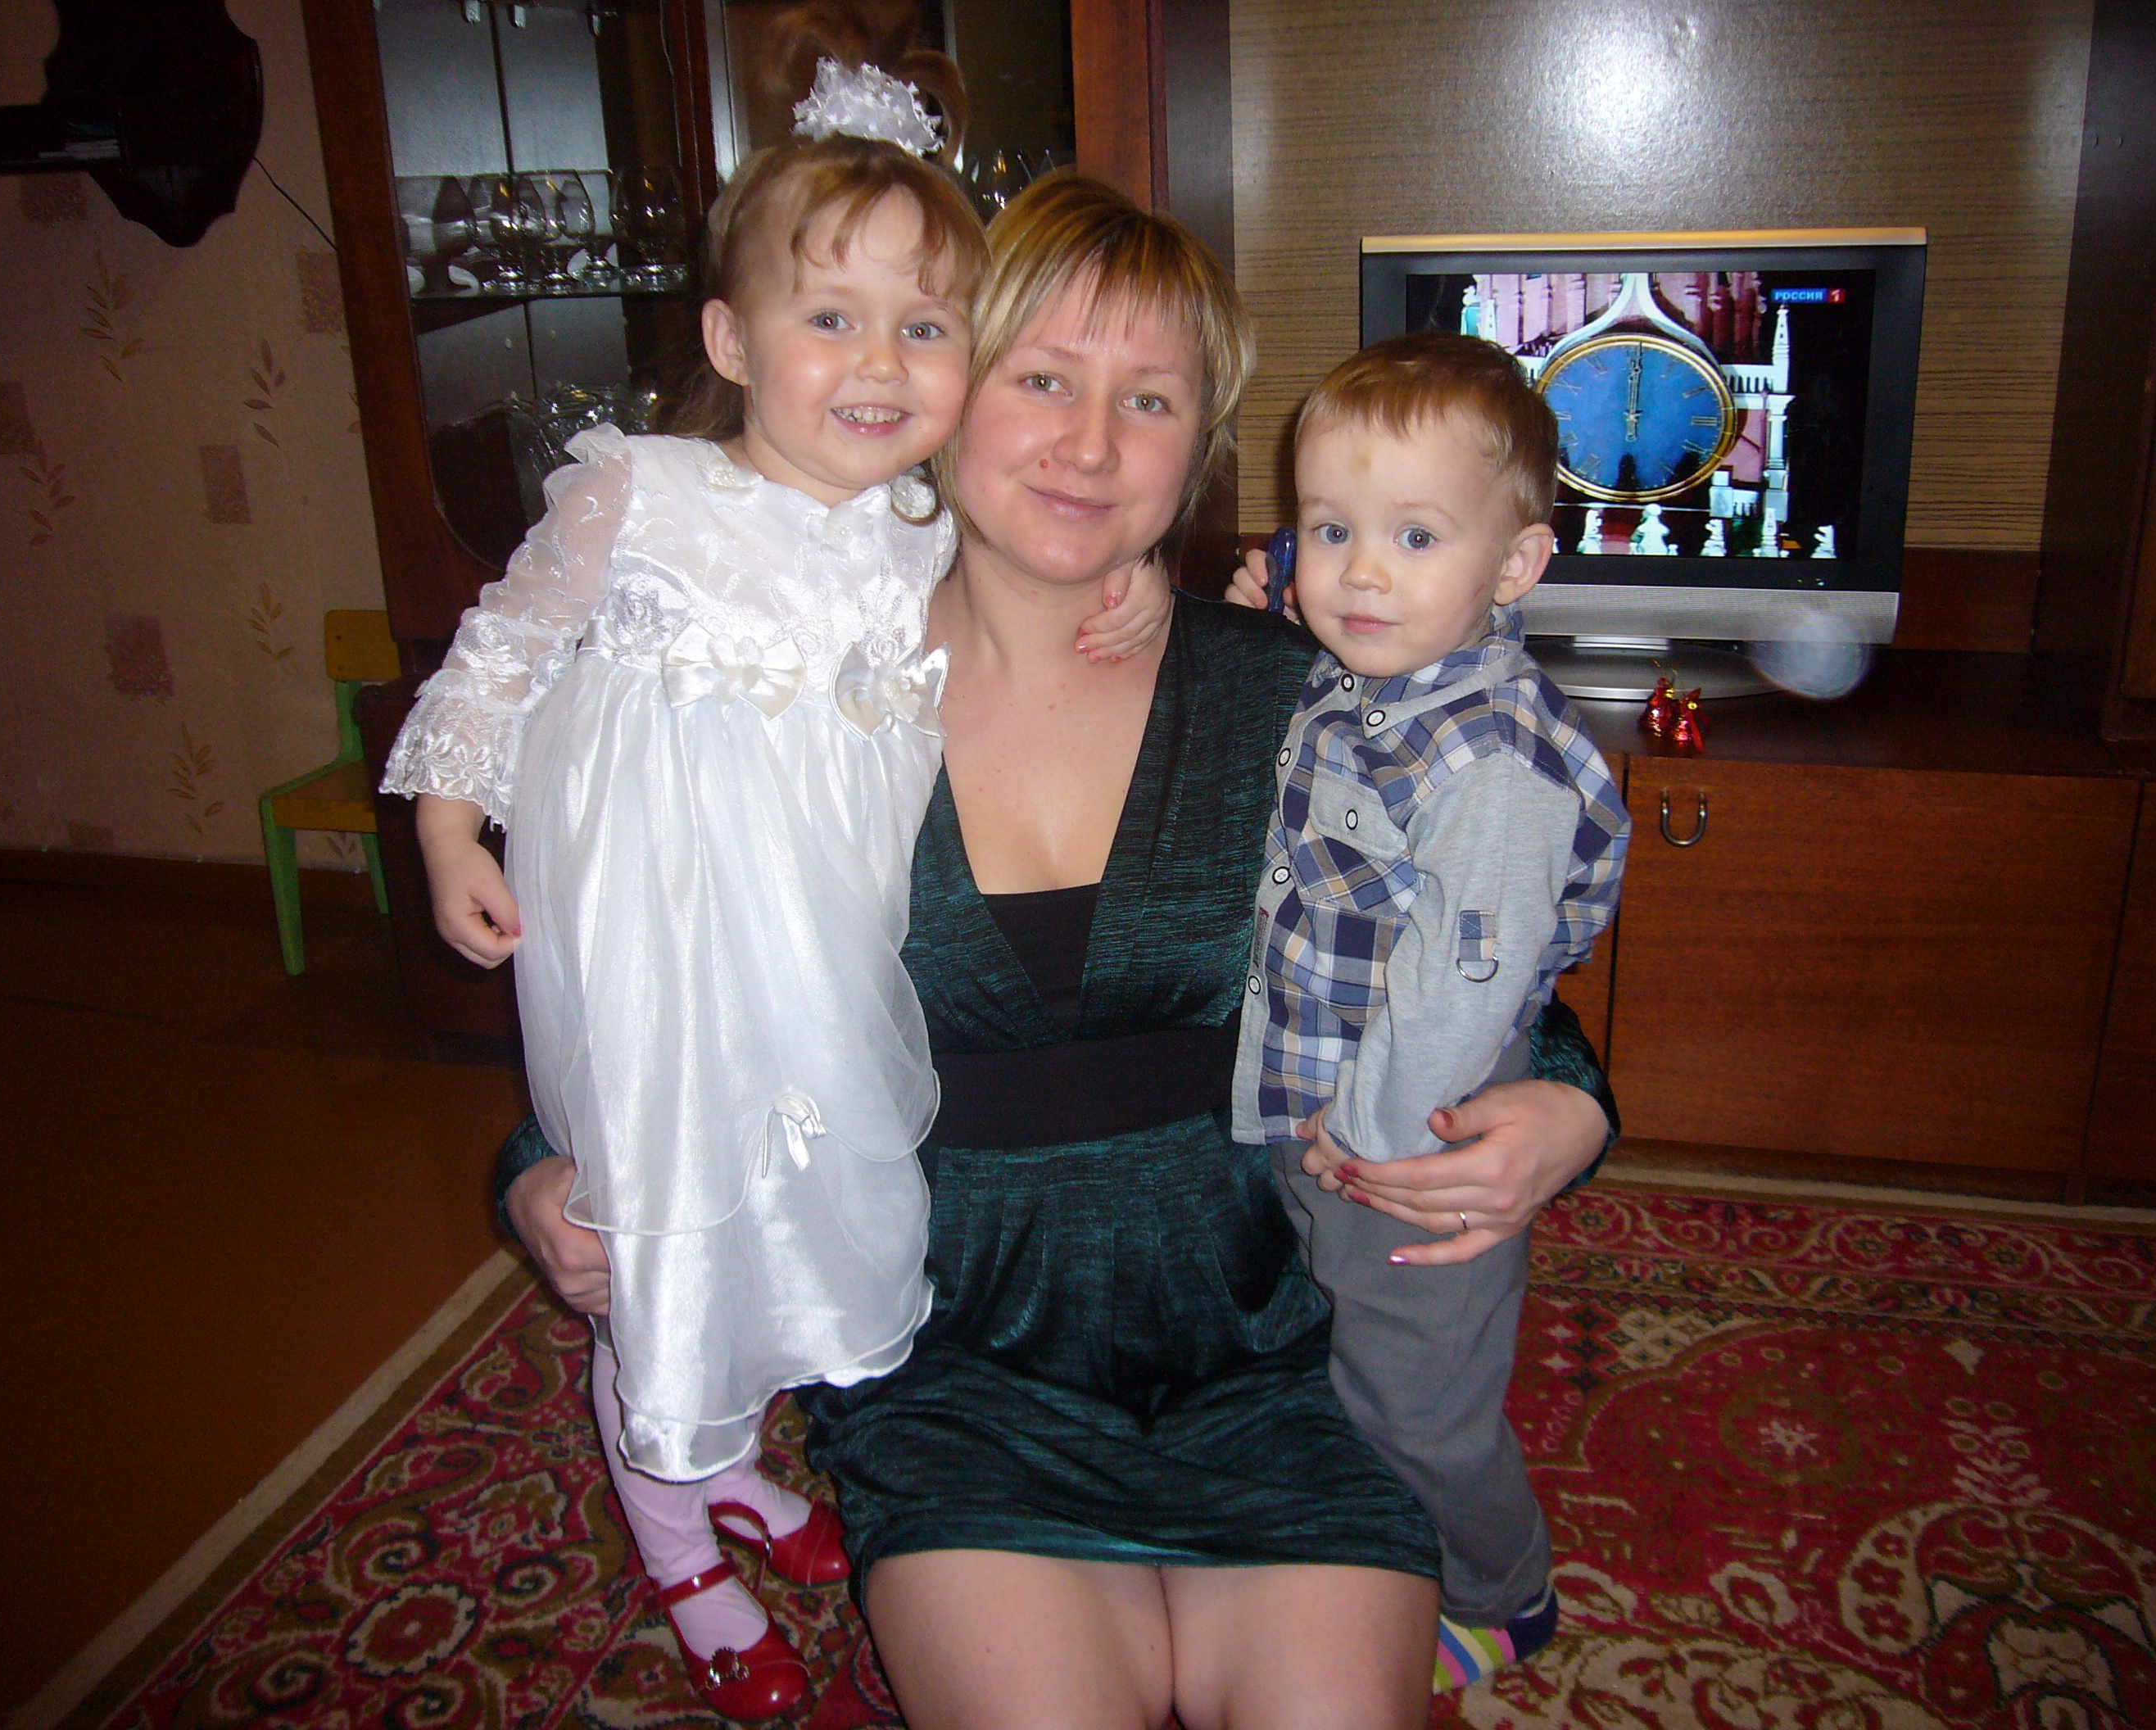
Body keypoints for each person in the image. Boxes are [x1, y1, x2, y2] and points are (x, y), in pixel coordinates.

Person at [503, 174, 1617, 1729]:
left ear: (1199, 443)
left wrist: (1572, 1103)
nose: (1091, 446)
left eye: (1149, 400)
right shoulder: (786, 697)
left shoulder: (1301, 693)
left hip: (1287, 1349)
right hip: (953, 1363)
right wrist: (541, 1165)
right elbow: (636, 954)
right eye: (1041, 379)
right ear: (948, 383)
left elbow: (1477, 940)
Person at [382, 67, 1169, 1719]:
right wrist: (452, 827)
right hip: (658, 944)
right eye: (830, 319)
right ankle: (677, 1533)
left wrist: (1141, 580)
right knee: (669, 1225)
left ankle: (737, 1457)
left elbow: (1062, 551)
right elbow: (504, 649)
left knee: (796, 1206)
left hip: (817, 949)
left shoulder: (918, 532)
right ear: (731, 340)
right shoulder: (646, 492)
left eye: (924, 328)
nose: (880, 365)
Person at [1225, 329, 1628, 1687]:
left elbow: (1461, 991)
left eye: (1414, 536)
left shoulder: (1489, 757)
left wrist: (1375, 1142)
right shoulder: (1376, 677)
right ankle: (1369, 1536)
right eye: (1331, 531)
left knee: (1420, 1394)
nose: (1360, 573)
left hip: (1408, 1137)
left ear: (1516, 564)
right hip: (1329, 1097)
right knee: (1350, 1361)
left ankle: (1501, 1592)